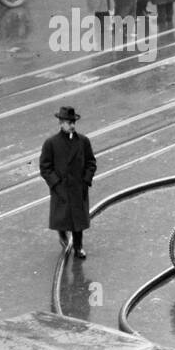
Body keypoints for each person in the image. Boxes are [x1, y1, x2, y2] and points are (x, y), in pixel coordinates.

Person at [39, 105, 97, 258]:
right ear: (61, 123)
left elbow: (91, 163)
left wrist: (85, 181)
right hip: (61, 188)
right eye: (68, 122)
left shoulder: (83, 141)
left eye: (73, 122)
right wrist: (56, 183)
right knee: (62, 217)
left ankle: (78, 247)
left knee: (78, 221)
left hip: (78, 188)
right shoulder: (51, 143)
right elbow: (45, 167)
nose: (71, 125)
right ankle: (62, 234)